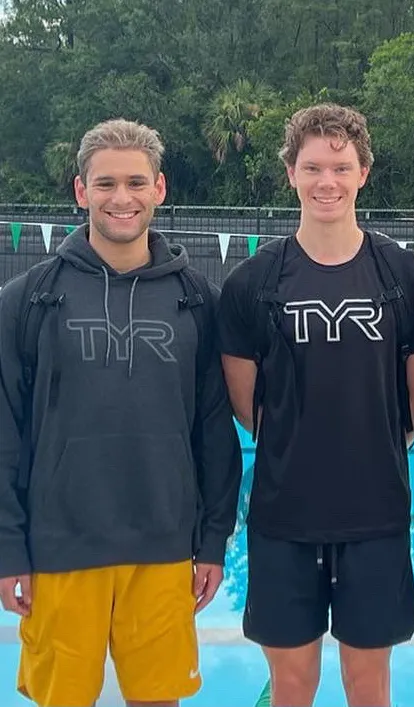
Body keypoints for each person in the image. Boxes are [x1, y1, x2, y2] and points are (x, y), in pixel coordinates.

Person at [0, 118, 241, 707]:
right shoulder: (28, 299)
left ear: (159, 188)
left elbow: (214, 427)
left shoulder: (197, 299)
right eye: (105, 184)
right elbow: (4, 429)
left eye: (136, 182)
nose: (122, 198)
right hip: (62, 546)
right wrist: (9, 548)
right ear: (81, 192)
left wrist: (213, 541)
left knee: (157, 699)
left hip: (162, 545)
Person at [218, 103, 414, 707]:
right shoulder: (252, 284)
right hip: (283, 518)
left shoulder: (406, 278)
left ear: (363, 172)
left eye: (341, 167)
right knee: (293, 687)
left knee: (369, 687)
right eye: (313, 167)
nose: (327, 182)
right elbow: (246, 404)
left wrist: (374, 444)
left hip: (375, 516)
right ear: (291, 172)